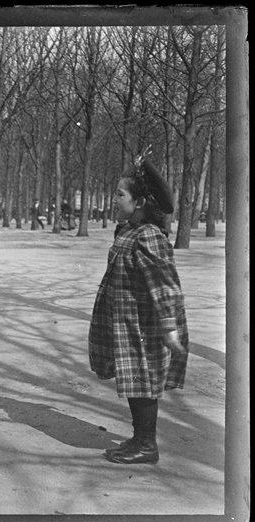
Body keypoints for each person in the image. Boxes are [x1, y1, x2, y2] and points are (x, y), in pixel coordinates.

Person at [88, 147, 188, 465]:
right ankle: (139, 438)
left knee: (143, 381)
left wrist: (170, 328)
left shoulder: (148, 236)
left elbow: (165, 282)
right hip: (127, 322)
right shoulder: (129, 231)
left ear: (140, 202)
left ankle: (147, 445)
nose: (115, 199)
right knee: (133, 380)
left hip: (145, 324)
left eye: (120, 194)